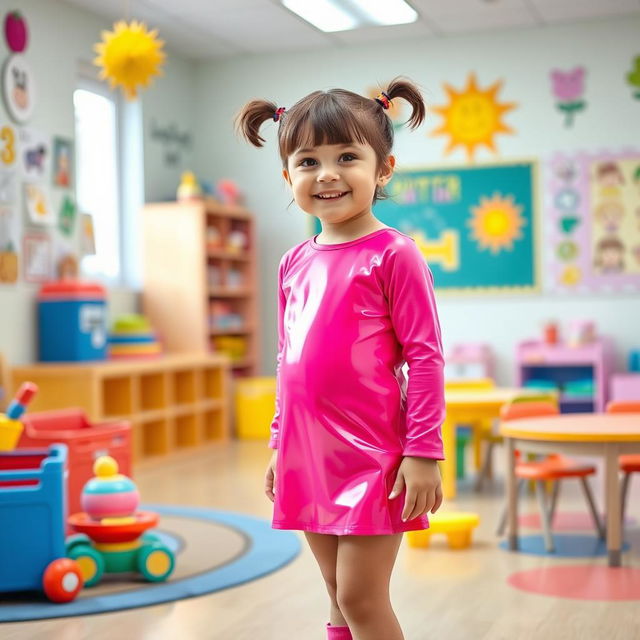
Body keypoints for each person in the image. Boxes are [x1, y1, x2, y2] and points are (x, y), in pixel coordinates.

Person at [235, 78, 445, 640]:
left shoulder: (394, 254)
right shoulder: (292, 263)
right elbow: (287, 360)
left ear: (383, 169)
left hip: (375, 450)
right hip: (308, 451)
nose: (326, 173)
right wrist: (281, 444)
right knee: (335, 595)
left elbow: (425, 357)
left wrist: (423, 450)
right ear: (288, 177)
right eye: (308, 161)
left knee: (360, 596)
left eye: (347, 156)